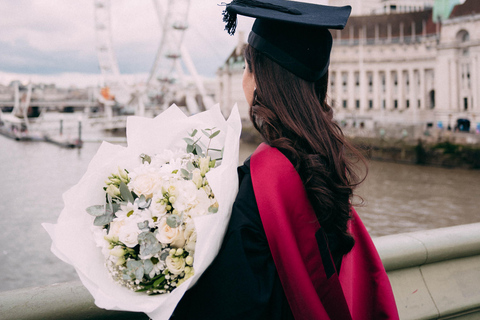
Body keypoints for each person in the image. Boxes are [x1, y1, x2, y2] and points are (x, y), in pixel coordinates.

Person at [172, 1, 399, 319]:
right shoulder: (327, 163)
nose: (243, 78)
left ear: (260, 79)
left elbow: (233, 299)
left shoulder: (259, 183)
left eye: (246, 67)